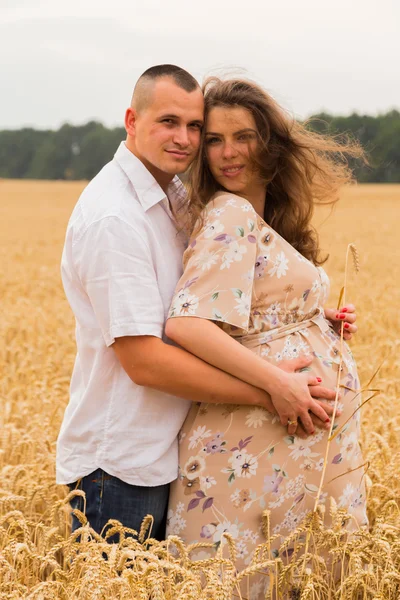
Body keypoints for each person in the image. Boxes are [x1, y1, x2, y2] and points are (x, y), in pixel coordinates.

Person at [57, 64, 352, 543]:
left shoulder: (172, 197)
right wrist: (274, 391)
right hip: (121, 466)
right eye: (168, 122)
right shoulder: (114, 218)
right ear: (131, 121)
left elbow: (212, 294)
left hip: (165, 451)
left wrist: (302, 321)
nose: (186, 139)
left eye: (195, 127)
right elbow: (145, 361)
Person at [165, 77, 368, 593]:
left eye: (243, 137)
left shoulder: (258, 217)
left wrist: (314, 321)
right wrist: (280, 381)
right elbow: (188, 324)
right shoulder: (229, 213)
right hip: (252, 448)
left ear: (270, 143)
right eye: (213, 140)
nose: (228, 153)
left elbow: (242, 312)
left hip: (285, 452)